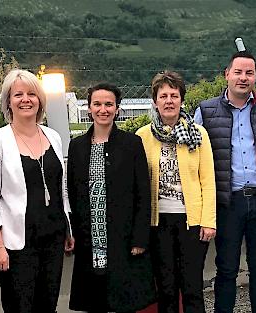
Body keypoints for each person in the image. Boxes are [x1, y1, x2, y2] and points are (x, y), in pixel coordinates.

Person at [0, 69, 73, 312]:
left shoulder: (53, 136)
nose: (25, 99)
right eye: (18, 94)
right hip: (17, 245)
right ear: (8, 101)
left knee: (48, 305)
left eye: (32, 93)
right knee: (20, 306)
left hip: (53, 239)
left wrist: (68, 228)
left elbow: (60, 187)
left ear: (40, 99)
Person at [194, 50, 256, 313]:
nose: (243, 78)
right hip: (227, 204)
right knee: (227, 269)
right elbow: (194, 155)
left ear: (255, 76)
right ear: (227, 75)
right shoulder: (206, 111)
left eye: (249, 73)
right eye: (238, 72)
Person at [67, 83, 155, 313]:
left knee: (124, 300)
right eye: (97, 104)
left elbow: (142, 193)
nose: (103, 109)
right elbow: (73, 194)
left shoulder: (132, 144)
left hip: (123, 239)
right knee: (95, 301)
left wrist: (139, 238)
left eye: (108, 104)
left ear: (117, 109)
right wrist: (74, 233)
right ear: (89, 108)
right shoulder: (77, 146)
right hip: (89, 239)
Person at [136, 71, 216, 313]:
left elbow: (208, 179)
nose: (169, 101)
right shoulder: (142, 136)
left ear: (182, 99)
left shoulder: (198, 134)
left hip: (191, 221)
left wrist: (208, 221)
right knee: (166, 287)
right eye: (163, 96)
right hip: (157, 223)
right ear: (155, 101)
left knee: (192, 287)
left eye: (174, 95)